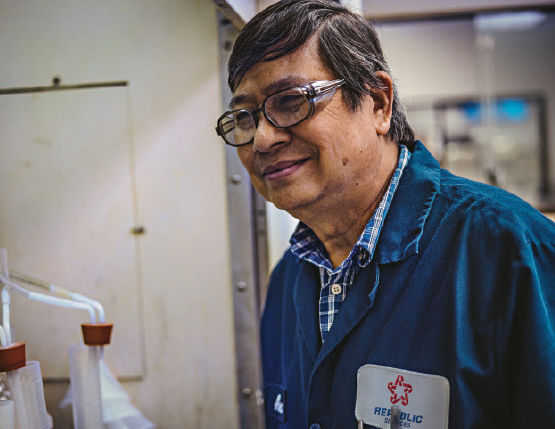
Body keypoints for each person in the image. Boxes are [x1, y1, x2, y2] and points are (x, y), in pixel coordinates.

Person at [223, 1, 555, 427]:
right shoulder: (290, 276)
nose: (263, 138)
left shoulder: (508, 250)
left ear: (378, 102)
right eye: (245, 117)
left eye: (290, 101)